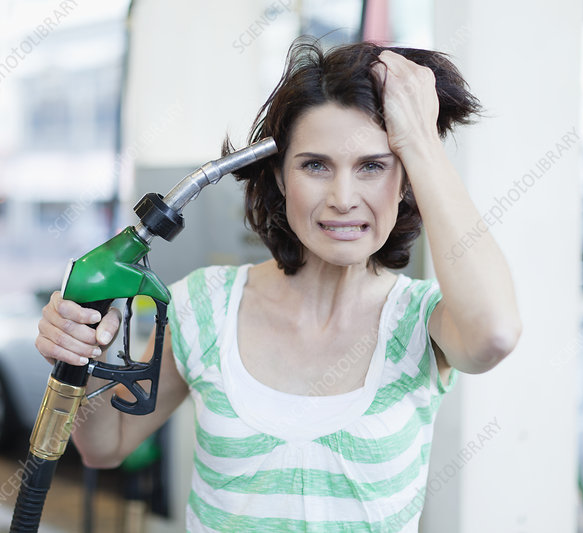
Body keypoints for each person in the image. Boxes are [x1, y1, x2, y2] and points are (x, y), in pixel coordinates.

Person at [35, 38, 521, 532]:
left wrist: (421, 141)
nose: (343, 198)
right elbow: (103, 447)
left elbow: (495, 335)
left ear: (406, 181)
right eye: (315, 165)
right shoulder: (205, 304)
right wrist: (79, 355)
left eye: (373, 166)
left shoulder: (423, 320)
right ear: (282, 177)